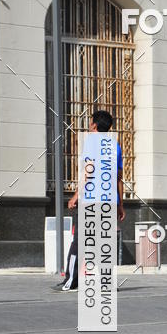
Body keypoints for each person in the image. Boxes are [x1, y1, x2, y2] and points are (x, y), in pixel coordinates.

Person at [53, 110, 125, 291]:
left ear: (93, 124)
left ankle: (71, 282)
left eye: (90, 121)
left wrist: (76, 196)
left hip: (91, 201)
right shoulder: (115, 145)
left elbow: (89, 171)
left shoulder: (91, 142)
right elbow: (118, 178)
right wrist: (120, 205)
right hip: (109, 202)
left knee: (80, 242)